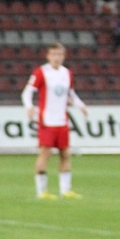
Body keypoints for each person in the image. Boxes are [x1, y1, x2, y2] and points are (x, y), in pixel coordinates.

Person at [21, 42, 88, 200]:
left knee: (65, 154)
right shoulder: (41, 72)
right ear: (48, 56)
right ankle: (42, 191)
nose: (56, 57)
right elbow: (27, 92)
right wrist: (29, 107)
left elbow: (71, 94)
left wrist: (81, 106)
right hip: (47, 121)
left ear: (63, 56)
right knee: (45, 154)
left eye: (59, 54)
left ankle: (66, 190)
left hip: (62, 121)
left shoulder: (67, 73)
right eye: (54, 54)